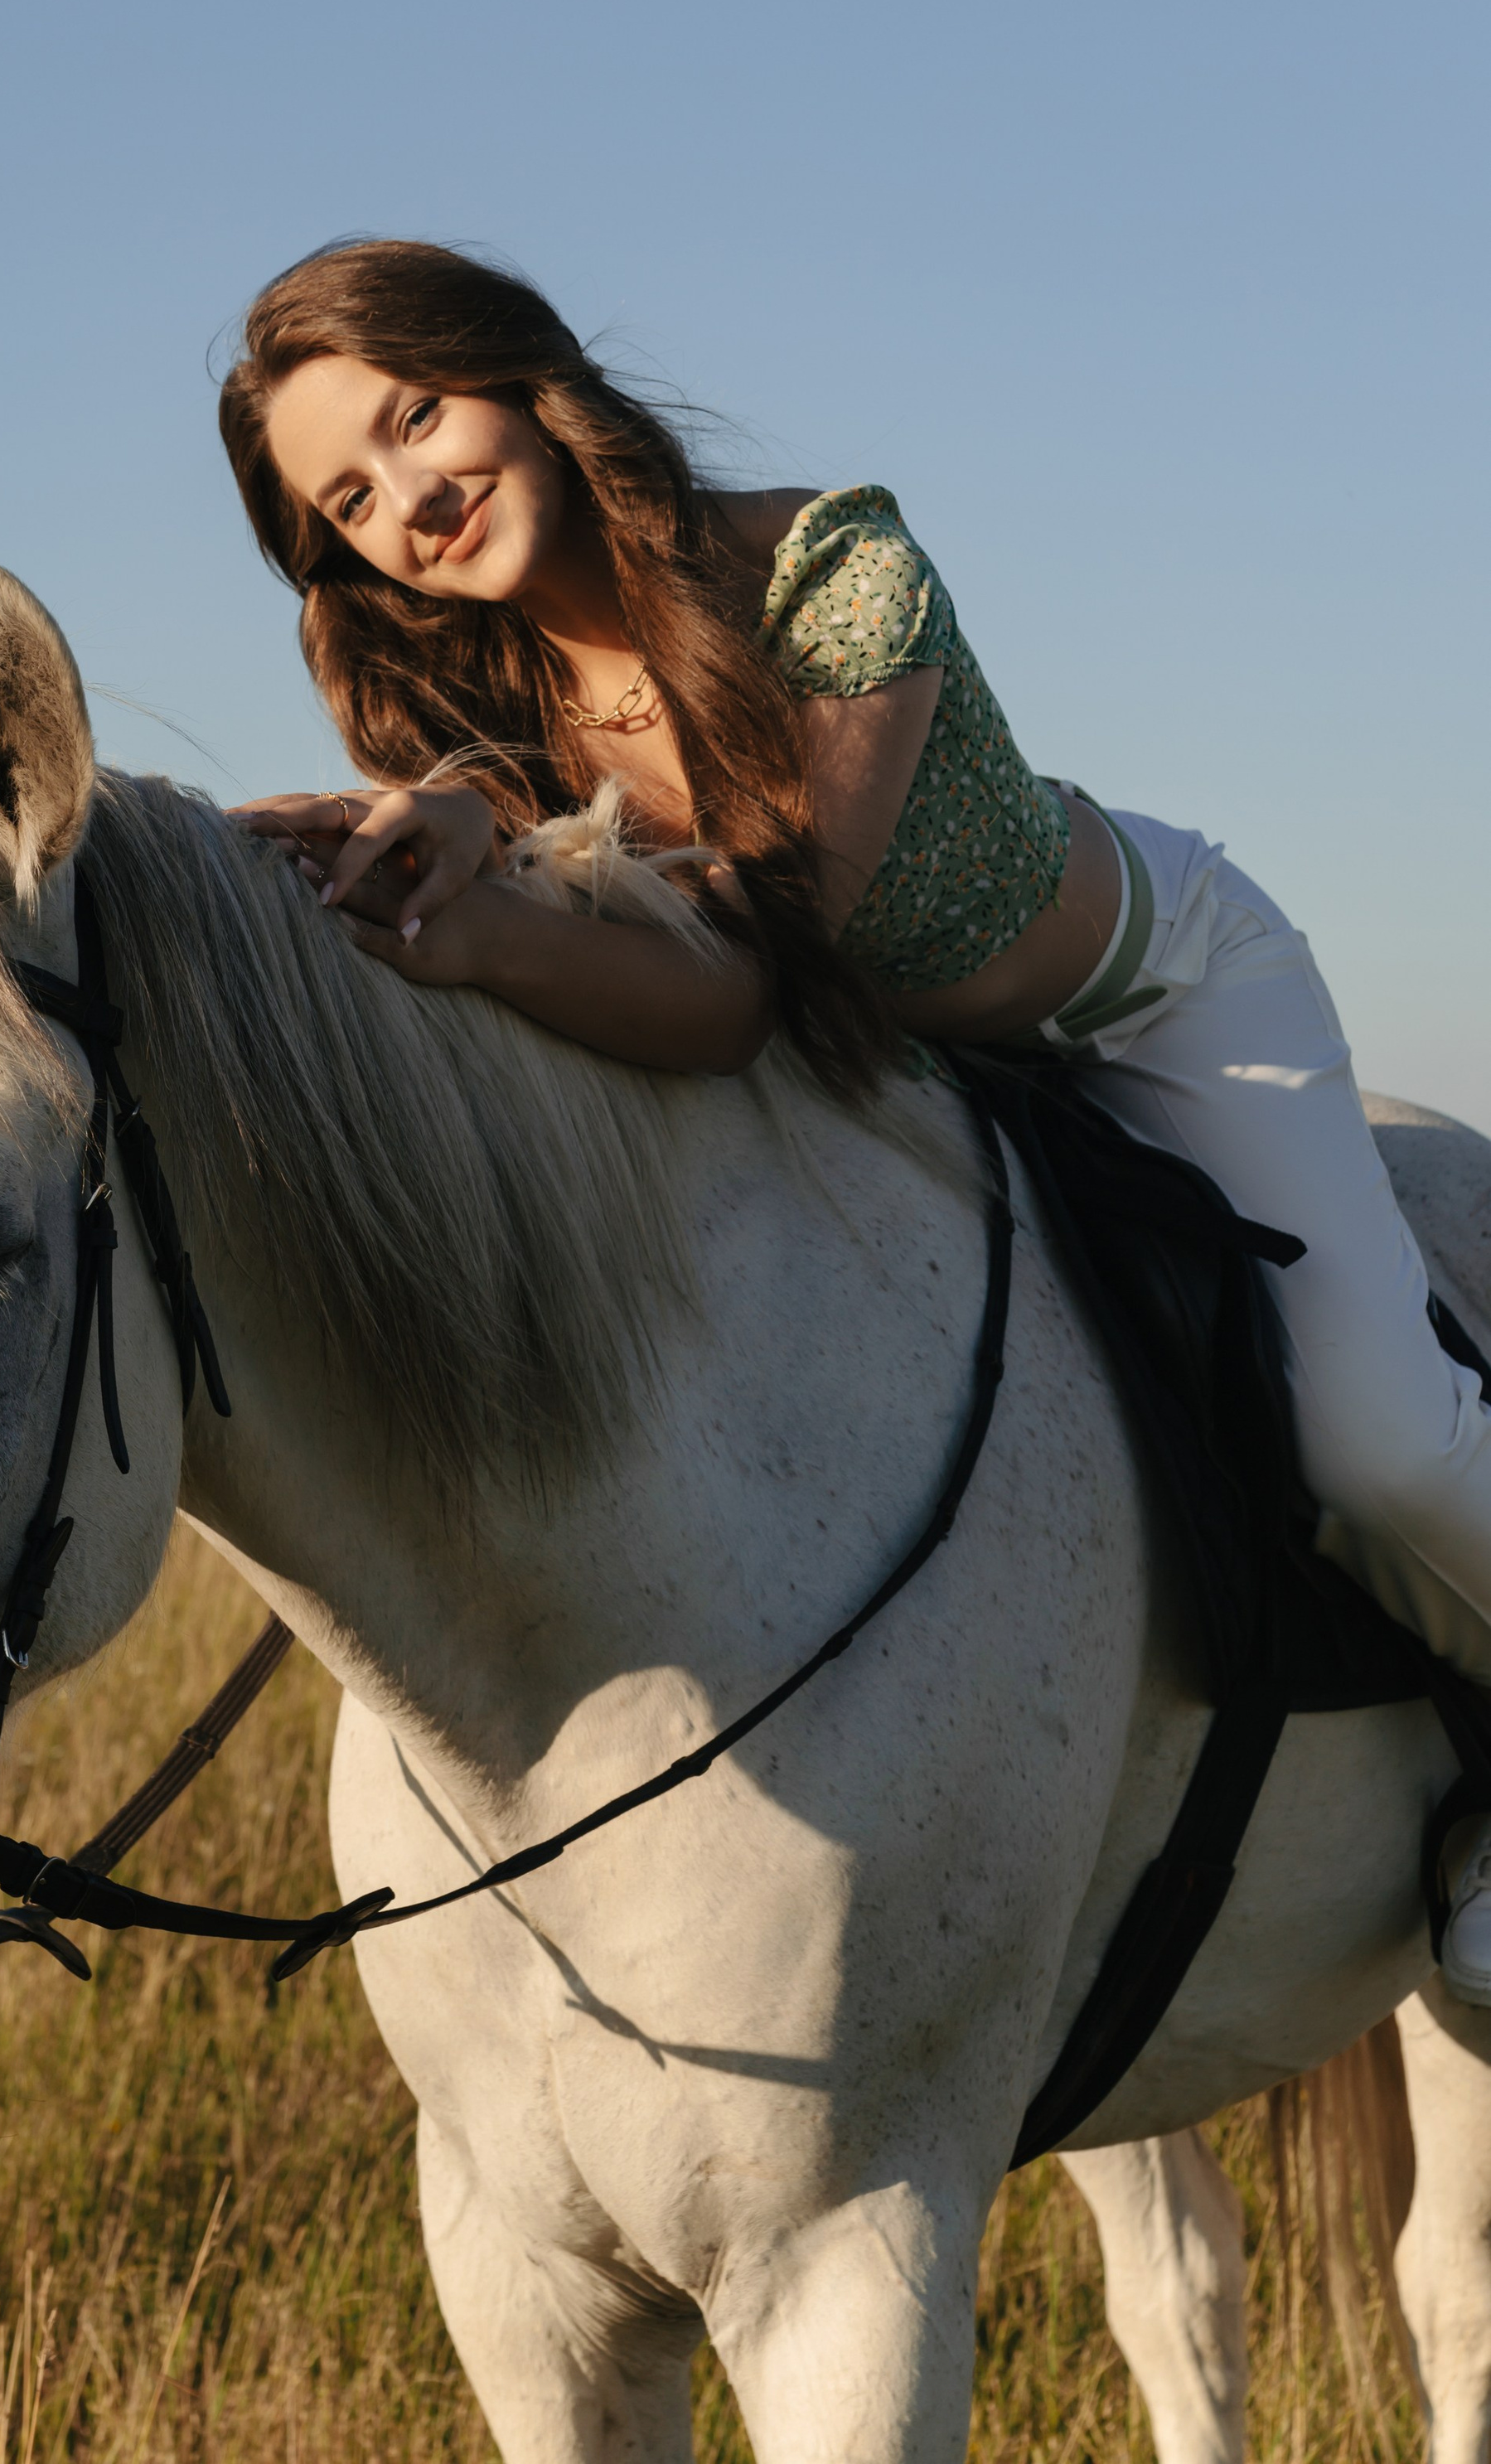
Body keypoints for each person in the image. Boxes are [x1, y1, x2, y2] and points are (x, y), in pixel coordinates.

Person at [216, 238, 1491, 1997]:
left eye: (415, 417)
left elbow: (762, 957)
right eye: (349, 501)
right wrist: (427, 880)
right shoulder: (472, 712)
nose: (408, 499)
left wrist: (495, 896)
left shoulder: (831, 564)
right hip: (901, 1081)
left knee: (1375, 1439)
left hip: (1155, 1000)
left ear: (517, 371)